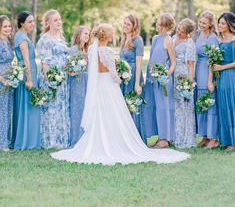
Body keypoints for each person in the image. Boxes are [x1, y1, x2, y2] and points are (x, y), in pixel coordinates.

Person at [51, 23, 190, 165]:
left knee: (101, 114)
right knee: (114, 114)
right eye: (111, 33)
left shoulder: (92, 49)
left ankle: (98, 142)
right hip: (109, 86)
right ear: (106, 35)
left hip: (98, 86)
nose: (113, 35)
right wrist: (123, 76)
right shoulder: (108, 52)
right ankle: (115, 142)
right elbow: (113, 74)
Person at [37, 9, 70, 149]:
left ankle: (61, 138)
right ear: (48, 23)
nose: (58, 22)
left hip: (63, 78)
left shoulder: (61, 37)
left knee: (61, 107)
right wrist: (50, 79)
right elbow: (45, 62)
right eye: (55, 20)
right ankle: (51, 140)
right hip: (51, 78)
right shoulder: (44, 39)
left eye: (59, 19)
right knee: (51, 108)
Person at [144, 13, 176, 148]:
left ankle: (165, 139)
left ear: (165, 25)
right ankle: (157, 136)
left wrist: (165, 76)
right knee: (154, 108)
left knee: (164, 108)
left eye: (158, 23)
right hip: (152, 79)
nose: (156, 25)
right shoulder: (156, 38)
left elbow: (173, 63)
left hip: (163, 81)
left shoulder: (168, 40)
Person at [11, 11, 40, 150]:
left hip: (29, 71)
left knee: (29, 106)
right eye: (29, 21)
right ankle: (27, 141)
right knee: (28, 106)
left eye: (33, 21)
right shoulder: (22, 37)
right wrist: (29, 79)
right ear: (22, 23)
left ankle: (27, 138)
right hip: (28, 73)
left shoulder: (22, 36)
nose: (32, 24)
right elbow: (26, 60)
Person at [195, 11, 219, 148]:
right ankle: (204, 135)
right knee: (201, 102)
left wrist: (210, 80)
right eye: (200, 22)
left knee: (209, 103)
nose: (201, 25)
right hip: (199, 69)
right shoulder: (199, 35)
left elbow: (213, 59)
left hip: (208, 70)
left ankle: (213, 137)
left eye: (204, 23)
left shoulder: (212, 37)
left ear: (210, 24)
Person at [120, 14, 146, 140]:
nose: (125, 26)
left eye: (128, 24)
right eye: (124, 23)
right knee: (124, 107)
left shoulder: (138, 40)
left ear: (134, 26)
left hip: (134, 77)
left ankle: (135, 138)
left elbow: (139, 63)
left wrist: (137, 84)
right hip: (124, 79)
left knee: (133, 106)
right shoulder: (124, 38)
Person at [173, 19, 196, 148]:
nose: (179, 30)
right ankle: (175, 136)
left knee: (184, 108)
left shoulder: (189, 44)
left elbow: (191, 65)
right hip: (173, 76)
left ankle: (185, 138)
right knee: (175, 107)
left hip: (183, 77)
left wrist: (189, 84)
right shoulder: (174, 37)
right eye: (179, 27)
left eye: (182, 29)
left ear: (187, 32)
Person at [214, 12, 235, 151]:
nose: (220, 26)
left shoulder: (234, 40)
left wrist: (222, 67)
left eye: (222, 23)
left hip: (230, 76)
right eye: (219, 23)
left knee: (230, 106)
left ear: (229, 24)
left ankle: (232, 142)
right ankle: (226, 140)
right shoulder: (220, 41)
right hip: (220, 77)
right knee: (222, 107)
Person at [69, 25, 90, 147]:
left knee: (87, 108)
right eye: (85, 33)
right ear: (78, 35)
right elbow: (70, 71)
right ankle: (77, 139)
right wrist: (81, 68)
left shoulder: (87, 50)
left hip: (88, 82)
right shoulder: (74, 50)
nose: (87, 36)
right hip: (77, 82)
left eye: (88, 34)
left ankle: (87, 138)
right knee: (78, 108)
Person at [0, 15, 14, 151]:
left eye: (9, 26)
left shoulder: (8, 42)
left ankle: (5, 140)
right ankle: (2, 143)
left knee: (8, 110)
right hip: (2, 81)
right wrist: (3, 79)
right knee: (2, 111)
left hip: (10, 80)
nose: (8, 29)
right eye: (5, 26)